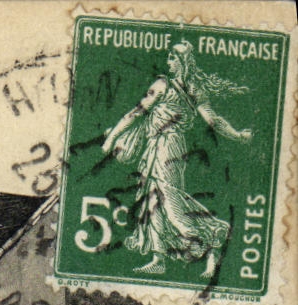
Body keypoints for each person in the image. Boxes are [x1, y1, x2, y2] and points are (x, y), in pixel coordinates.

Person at [101, 40, 252, 277]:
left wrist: (238, 136)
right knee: (152, 203)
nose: (169, 61)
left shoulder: (188, 89)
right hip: (154, 147)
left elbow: (213, 121)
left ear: (182, 62)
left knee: (171, 203)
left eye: (173, 58)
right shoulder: (164, 84)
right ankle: (158, 258)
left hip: (170, 147)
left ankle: (213, 239)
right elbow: (137, 112)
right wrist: (113, 136)